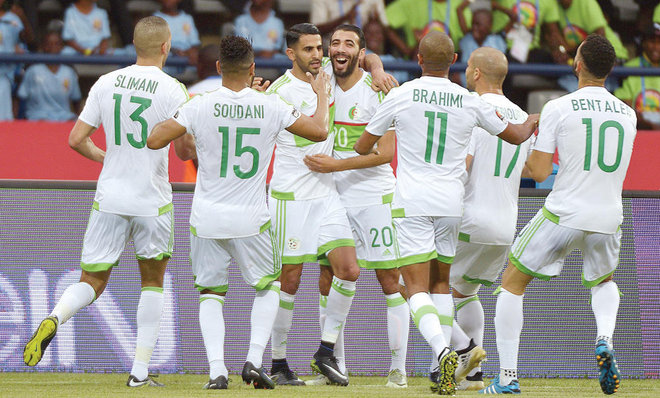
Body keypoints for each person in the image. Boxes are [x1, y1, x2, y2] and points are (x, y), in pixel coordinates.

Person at [354, 30, 539, 395]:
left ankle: (446, 351)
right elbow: (517, 136)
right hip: (453, 205)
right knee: (443, 286)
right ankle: (461, 354)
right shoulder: (470, 102)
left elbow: (364, 145)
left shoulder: (401, 94)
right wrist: (534, 120)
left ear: (418, 59)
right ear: (454, 60)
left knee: (414, 287)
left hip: (412, 202)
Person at [146, 35, 331, 390]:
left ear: (218, 68)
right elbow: (319, 130)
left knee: (211, 294)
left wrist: (184, 122)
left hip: (207, 218)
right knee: (269, 288)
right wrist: (321, 94)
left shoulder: (200, 104)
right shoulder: (270, 104)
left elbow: (155, 140)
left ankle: (217, 370)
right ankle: (253, 360)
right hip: (252, 219)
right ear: (252, 69)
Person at [23, 16, 190, 388]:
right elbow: (183, 149)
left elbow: (76, 138)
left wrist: (107, 157)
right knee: (152, 283)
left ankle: (54, 316)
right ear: (166, 46)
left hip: (110, 196)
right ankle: (139, 373)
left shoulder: (106, 82)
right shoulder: (173, 89)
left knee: (93, 281)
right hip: (152, 200)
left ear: (134, 45)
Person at [482, 34, 636, 395]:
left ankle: (506, 378)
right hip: (609, 214)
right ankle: (605, 340)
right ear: (611, 69)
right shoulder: (628, 114)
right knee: (604, 282)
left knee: (511, 283)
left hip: (564, 212)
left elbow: (538, 171)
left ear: (577, 64)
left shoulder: (559, 107)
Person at [266, 23, 397, 387]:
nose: (318, 55)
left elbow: (362, 55)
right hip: (291, 197)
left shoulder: (326, 73)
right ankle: (278, 361)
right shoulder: (281, 91)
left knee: (349, 270)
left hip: (326, 195)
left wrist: (378, 67)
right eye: (309, 49)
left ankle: (325, 351)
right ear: (291, 53)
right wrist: (323, 94)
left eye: (319, 48)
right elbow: (318, 130)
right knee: (289, 281)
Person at [302, 24, 410, 388]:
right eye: (334, 43)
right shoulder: (324, 79)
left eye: (349, 43)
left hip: (374, 197)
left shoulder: (378, 90)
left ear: (360, 52)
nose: (339, 49)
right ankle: (335, 367)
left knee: (389, 280)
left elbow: (386, 154)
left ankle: (398, 369)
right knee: (327, 277)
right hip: (332, 198)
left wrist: (338, 165)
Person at [448, 46, 532, 391]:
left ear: (477, 74)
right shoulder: (522, 115)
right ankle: (476, 375)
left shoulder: (472, 107)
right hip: (504, 226)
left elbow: (464, 165)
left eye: (468, 67)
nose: (467, 71)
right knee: (465, 292)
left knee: (417, 288)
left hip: (470, 217)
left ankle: (465, 351)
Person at [17, 31, 82, 121]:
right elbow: (20, 98)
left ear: (62, 47)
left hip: (64, 117)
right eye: (48, 44)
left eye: (56, 44)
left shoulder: (69, 72)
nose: (52, 47)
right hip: (37, 117)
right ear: (43, 46)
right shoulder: (33, 71)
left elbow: (76, 101)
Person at [385, 0, 472, 57]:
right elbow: (383, 23)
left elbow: (469, 38)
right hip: (416, 63)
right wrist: (406, 50)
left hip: (450, 64)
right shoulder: (411, 2)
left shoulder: (460, 5)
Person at [614, 28, 660, 130]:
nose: (656, 47)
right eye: (652, 42)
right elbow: (624, 103)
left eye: (659, 43)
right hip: (638, 127)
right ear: (643, 43)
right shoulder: (629, 68)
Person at [458, 7, 507, 87]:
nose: (474, 27)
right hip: (466, 90)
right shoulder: (466, 40)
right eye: (473, 24)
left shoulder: (497, 42)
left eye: (478, 24)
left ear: (489, 25)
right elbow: (459, 11)